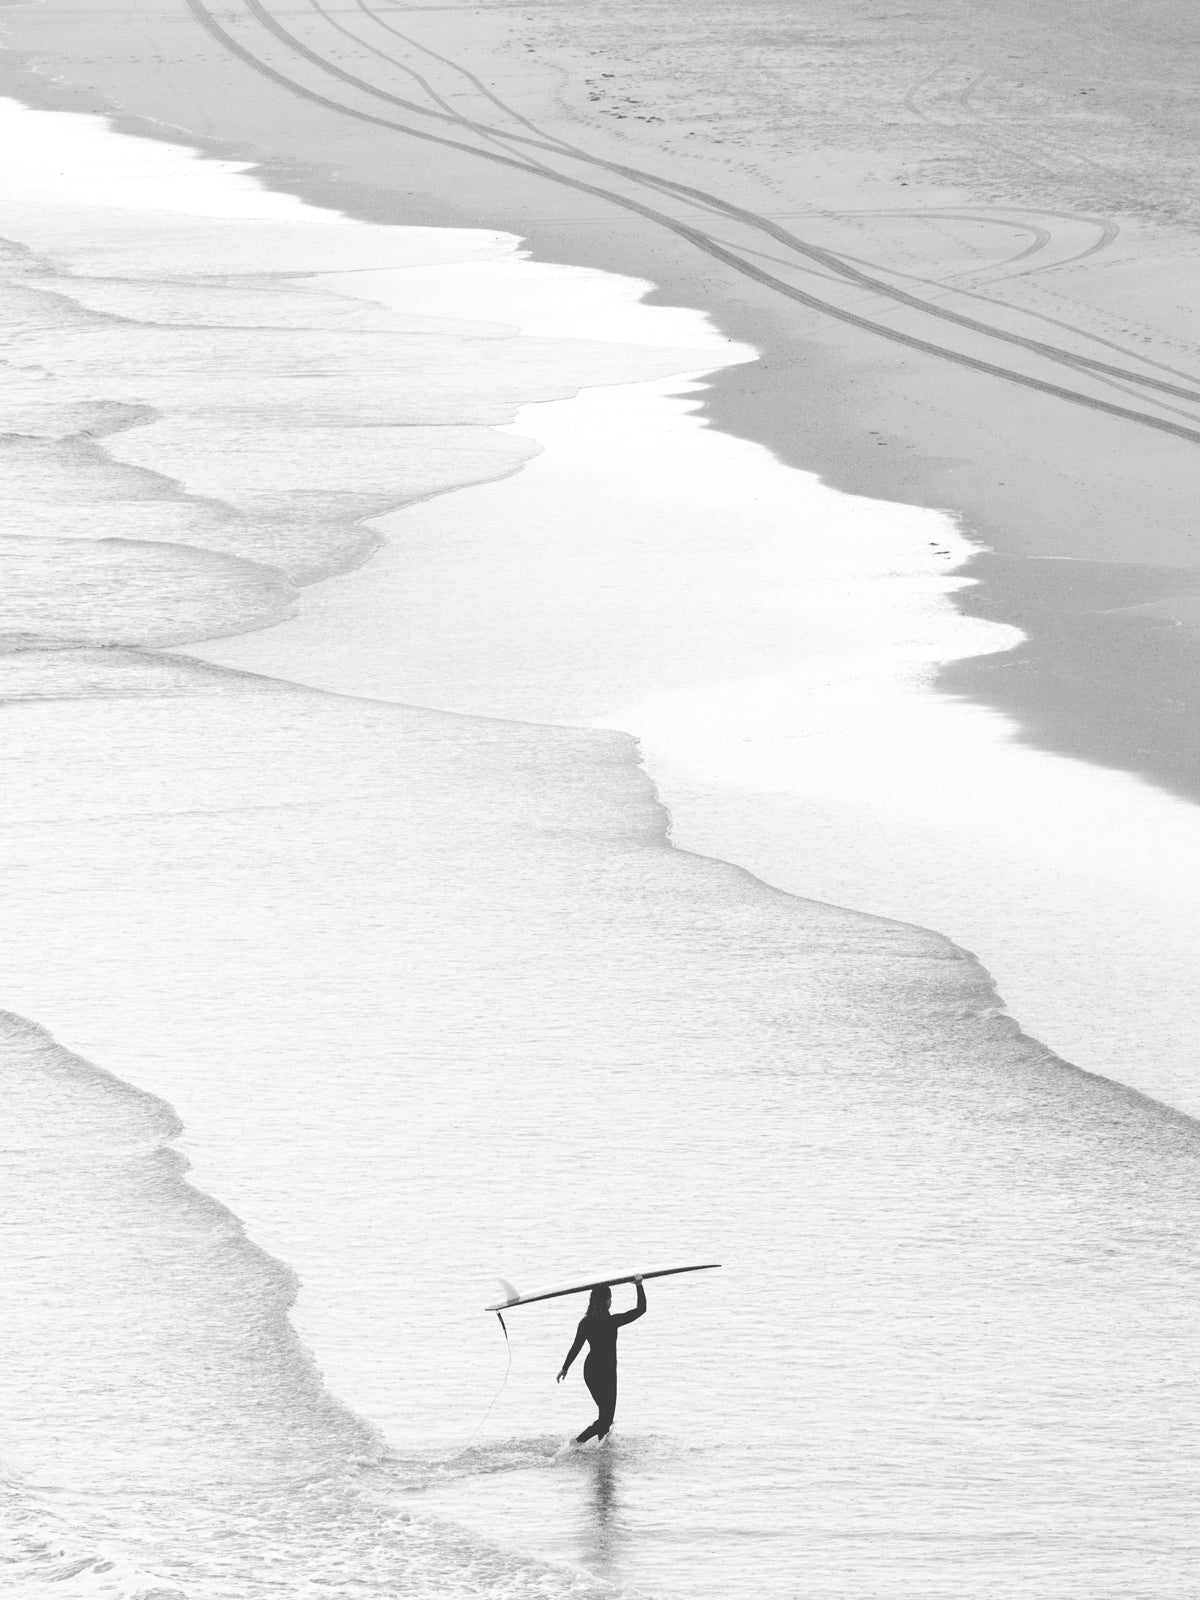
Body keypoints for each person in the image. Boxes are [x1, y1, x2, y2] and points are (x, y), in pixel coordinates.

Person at [557, 1276, 647, 1443]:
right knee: (606, 1418)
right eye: (610, 1298)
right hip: (606, 1373)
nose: (611, 1301)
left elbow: (576, 1347)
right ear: (606, 1301)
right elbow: (641, 1309)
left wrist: (565, 1368)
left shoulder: (585, 1322)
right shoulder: (612, 1321)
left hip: (591, 1371)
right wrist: (639, 1286)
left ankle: (603, 1457)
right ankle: (577, 1442)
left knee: (605, 1417)